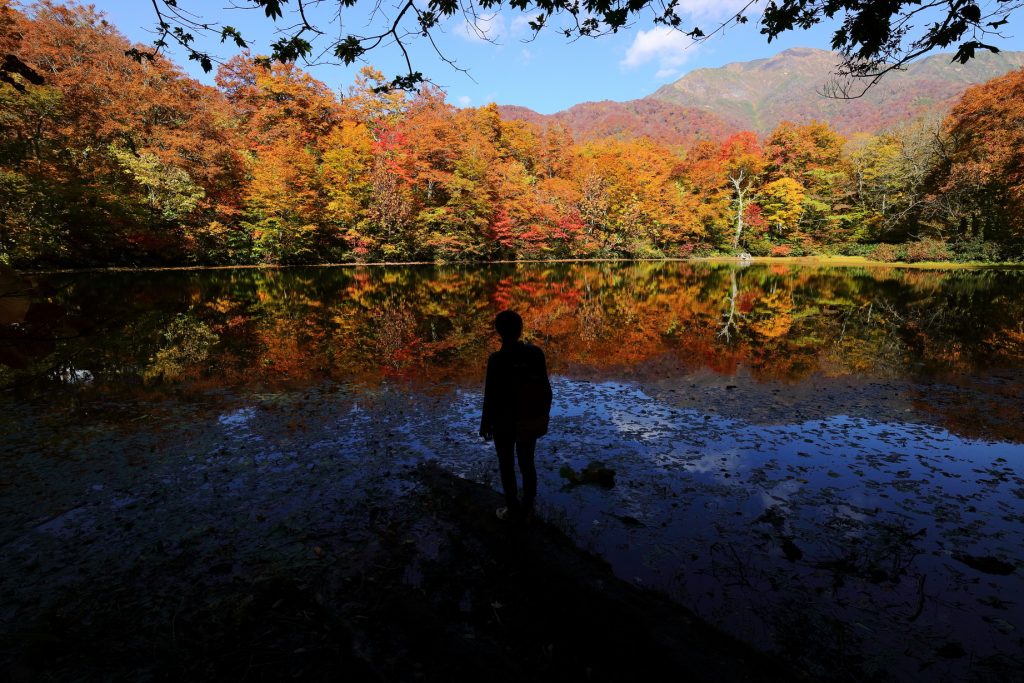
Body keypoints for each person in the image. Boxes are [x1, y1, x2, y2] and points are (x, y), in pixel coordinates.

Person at [479, 310, 552, 522]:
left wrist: (485, 424)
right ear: (520, 329)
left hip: (503, 421)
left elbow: (490, 396)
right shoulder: (535, 353)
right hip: (529, 418)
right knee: (527, 463)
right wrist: (542, 415)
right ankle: (528, 507)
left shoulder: (497, 360)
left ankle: (512, 508)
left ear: (498, 331)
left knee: (506, 464)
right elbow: (545, 389)